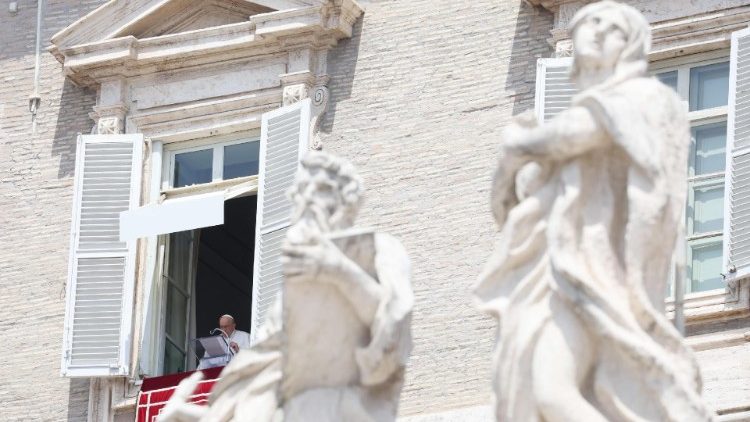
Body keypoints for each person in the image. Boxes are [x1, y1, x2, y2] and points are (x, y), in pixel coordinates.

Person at [475, 1, 713, 421]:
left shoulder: (644, 98)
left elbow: (578, 133)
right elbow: (505, 208)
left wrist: (520, 146)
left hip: (599, 272)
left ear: (631, 47)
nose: (600, 31)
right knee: (536, 389)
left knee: (552, 393)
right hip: (554, 273)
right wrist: (515, 162)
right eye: (592, 22)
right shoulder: (570, 122)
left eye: (615, 28)